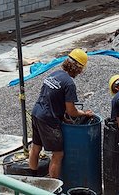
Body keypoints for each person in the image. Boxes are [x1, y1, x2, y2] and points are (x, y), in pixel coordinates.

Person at [29, 49, 93, 179]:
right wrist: (84, 114)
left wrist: (62, 115)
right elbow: (72, 111)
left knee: (36, 147)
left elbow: (51, 98)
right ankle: (55, 187)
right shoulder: (69, 83)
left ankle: (33, 179)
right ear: (78, 68)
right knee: (58, 154)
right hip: (48, 119)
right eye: (81, 69)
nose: (81, 72)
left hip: (37, 112)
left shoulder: (54, 74)